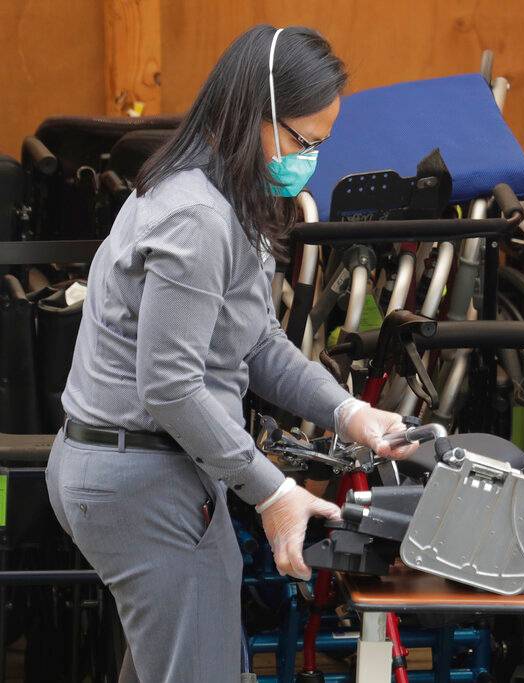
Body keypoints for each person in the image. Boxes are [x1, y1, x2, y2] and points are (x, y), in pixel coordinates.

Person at [45, 25, 413, 681]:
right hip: (139, 479)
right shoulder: (196, 214)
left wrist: (349, 411)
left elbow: (258, 342)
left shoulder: (224, 197)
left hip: (149, 469)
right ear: (252, 113)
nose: (309, 160)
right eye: (303, 141)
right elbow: (170, 387)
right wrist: (273, 492)